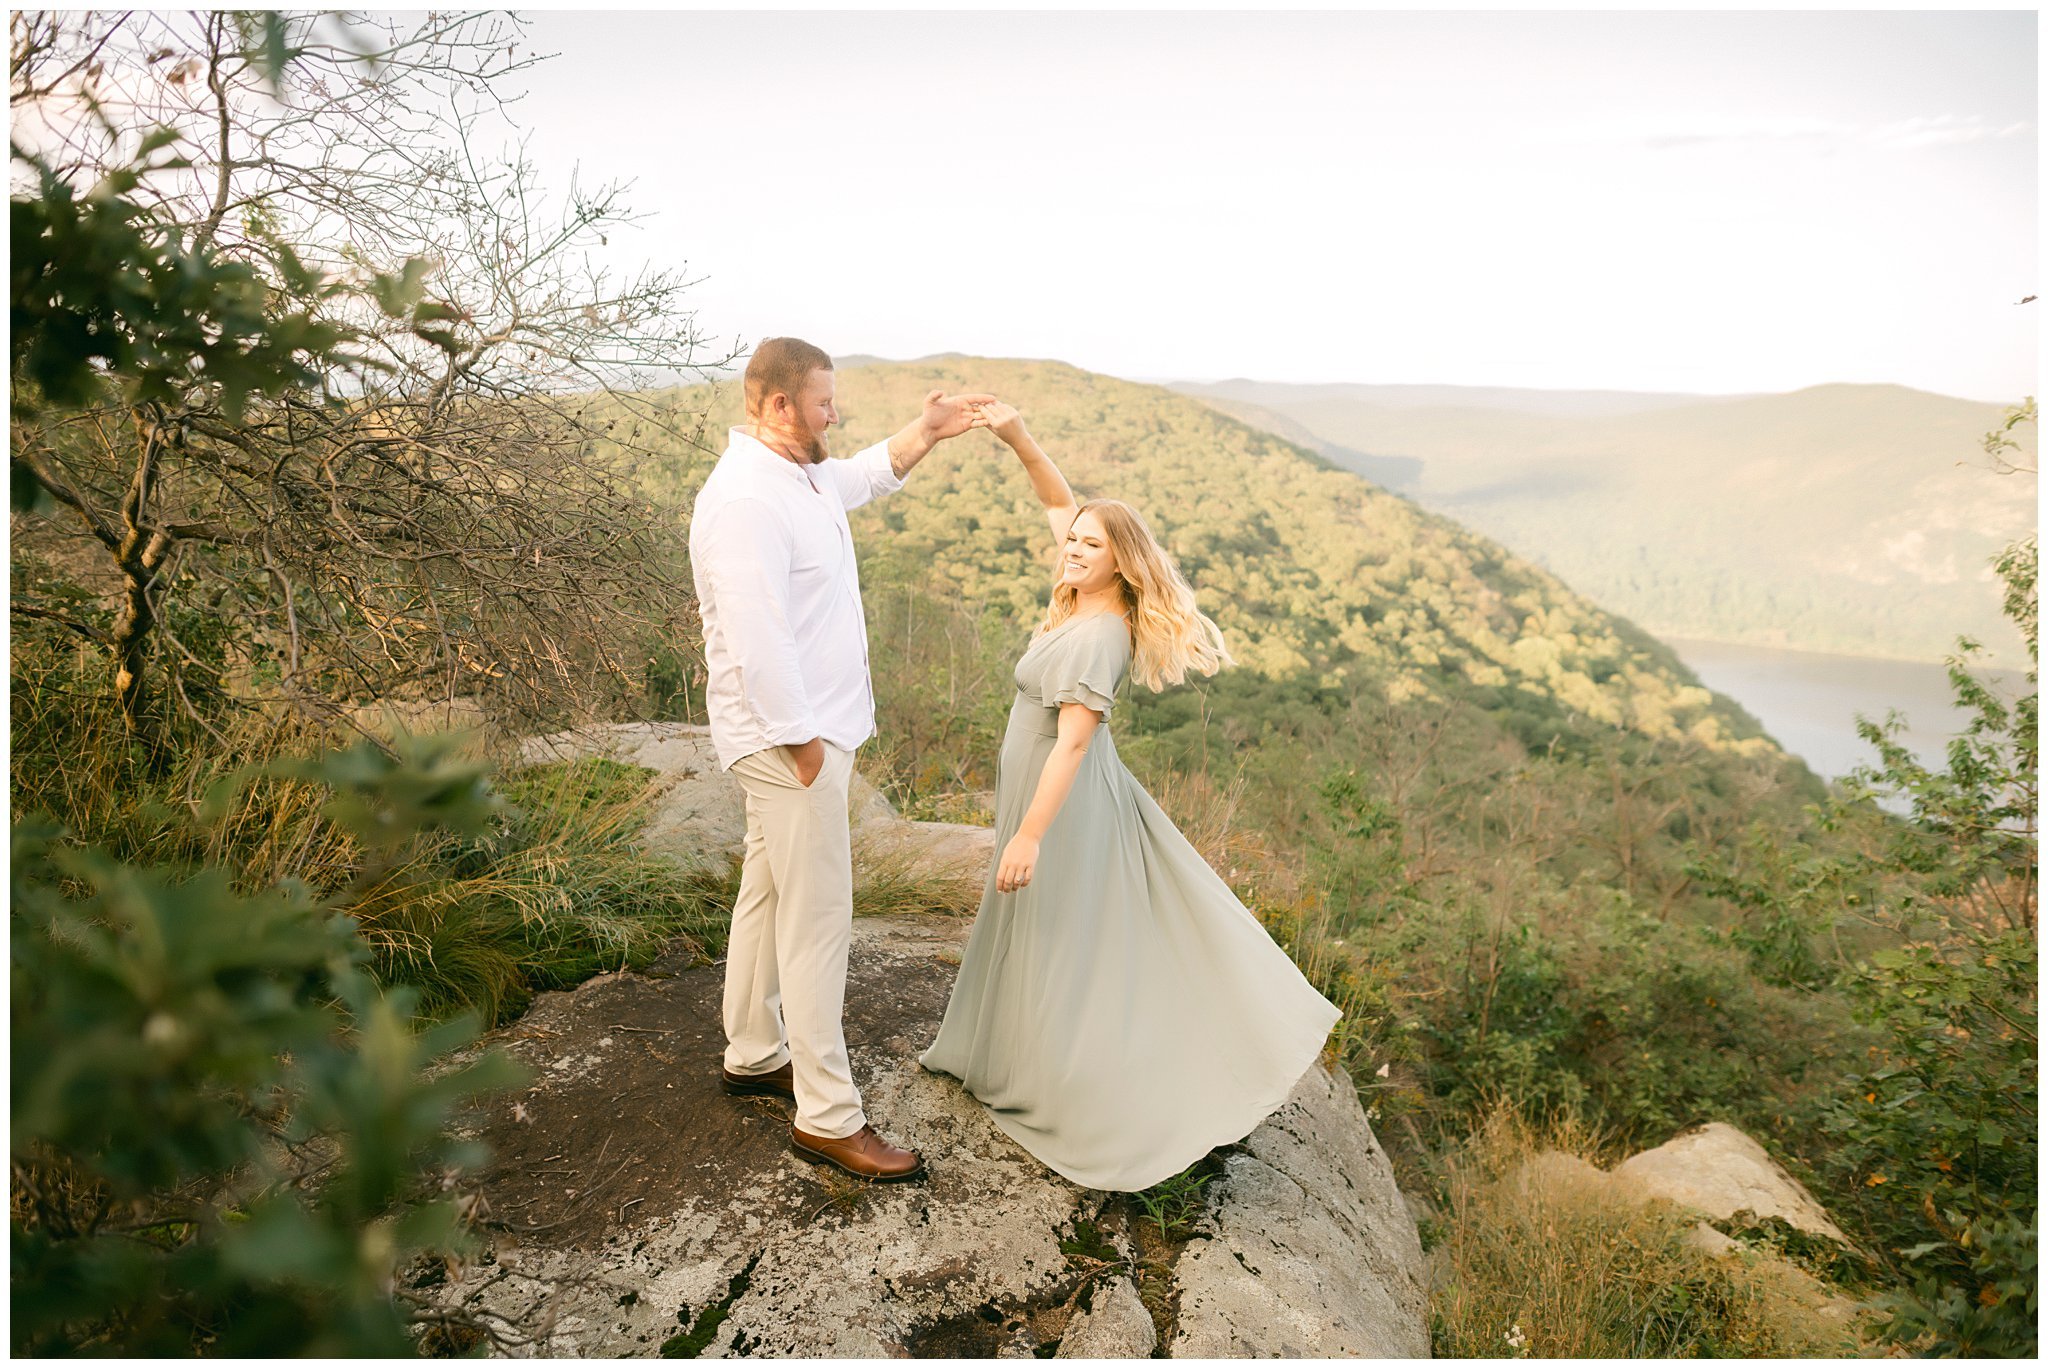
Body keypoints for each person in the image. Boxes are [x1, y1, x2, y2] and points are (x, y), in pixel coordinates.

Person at [919, 401, 1342, 1192]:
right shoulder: (1082, 589)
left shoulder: (1103, 634)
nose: (1072, 549)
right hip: (1041, 790)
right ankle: (1014, 1054)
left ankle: (1086, 1089)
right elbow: (1057, 499)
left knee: (1066, 941)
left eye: (1089, 544)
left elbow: (1073, 743)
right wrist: (1016, 434)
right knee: (1035, 930)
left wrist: (1029, 836)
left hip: (1064, 803)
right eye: (1072, 540)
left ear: (1119, 562)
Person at [690, 337, 993, 1183]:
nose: (837, 412)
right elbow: (756, 637)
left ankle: (753, 1051)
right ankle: (828, 1115)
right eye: (825, 401)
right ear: (779, 404)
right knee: (818, 919)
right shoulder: (746, 500)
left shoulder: (801, 472)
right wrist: (802, 743)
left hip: (806, 735)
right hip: (789, 740)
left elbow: (860, 473)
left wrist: (926, 432)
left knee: (768, 888)